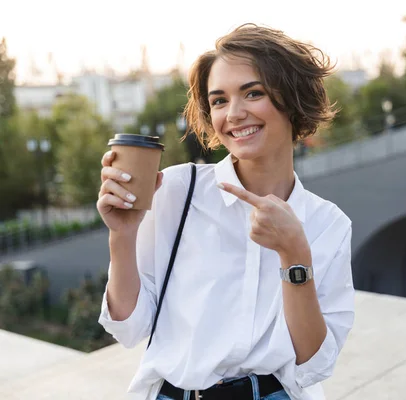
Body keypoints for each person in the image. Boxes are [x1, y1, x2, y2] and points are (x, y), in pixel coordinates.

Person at [97, 23, 355, 400]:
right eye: (219, 100)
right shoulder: (176, 191)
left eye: (253, 93)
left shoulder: (326, 223)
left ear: (294, 101)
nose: (234, 113)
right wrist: (121, 235)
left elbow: (313, 365)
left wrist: (294, 254)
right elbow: (128, 329)